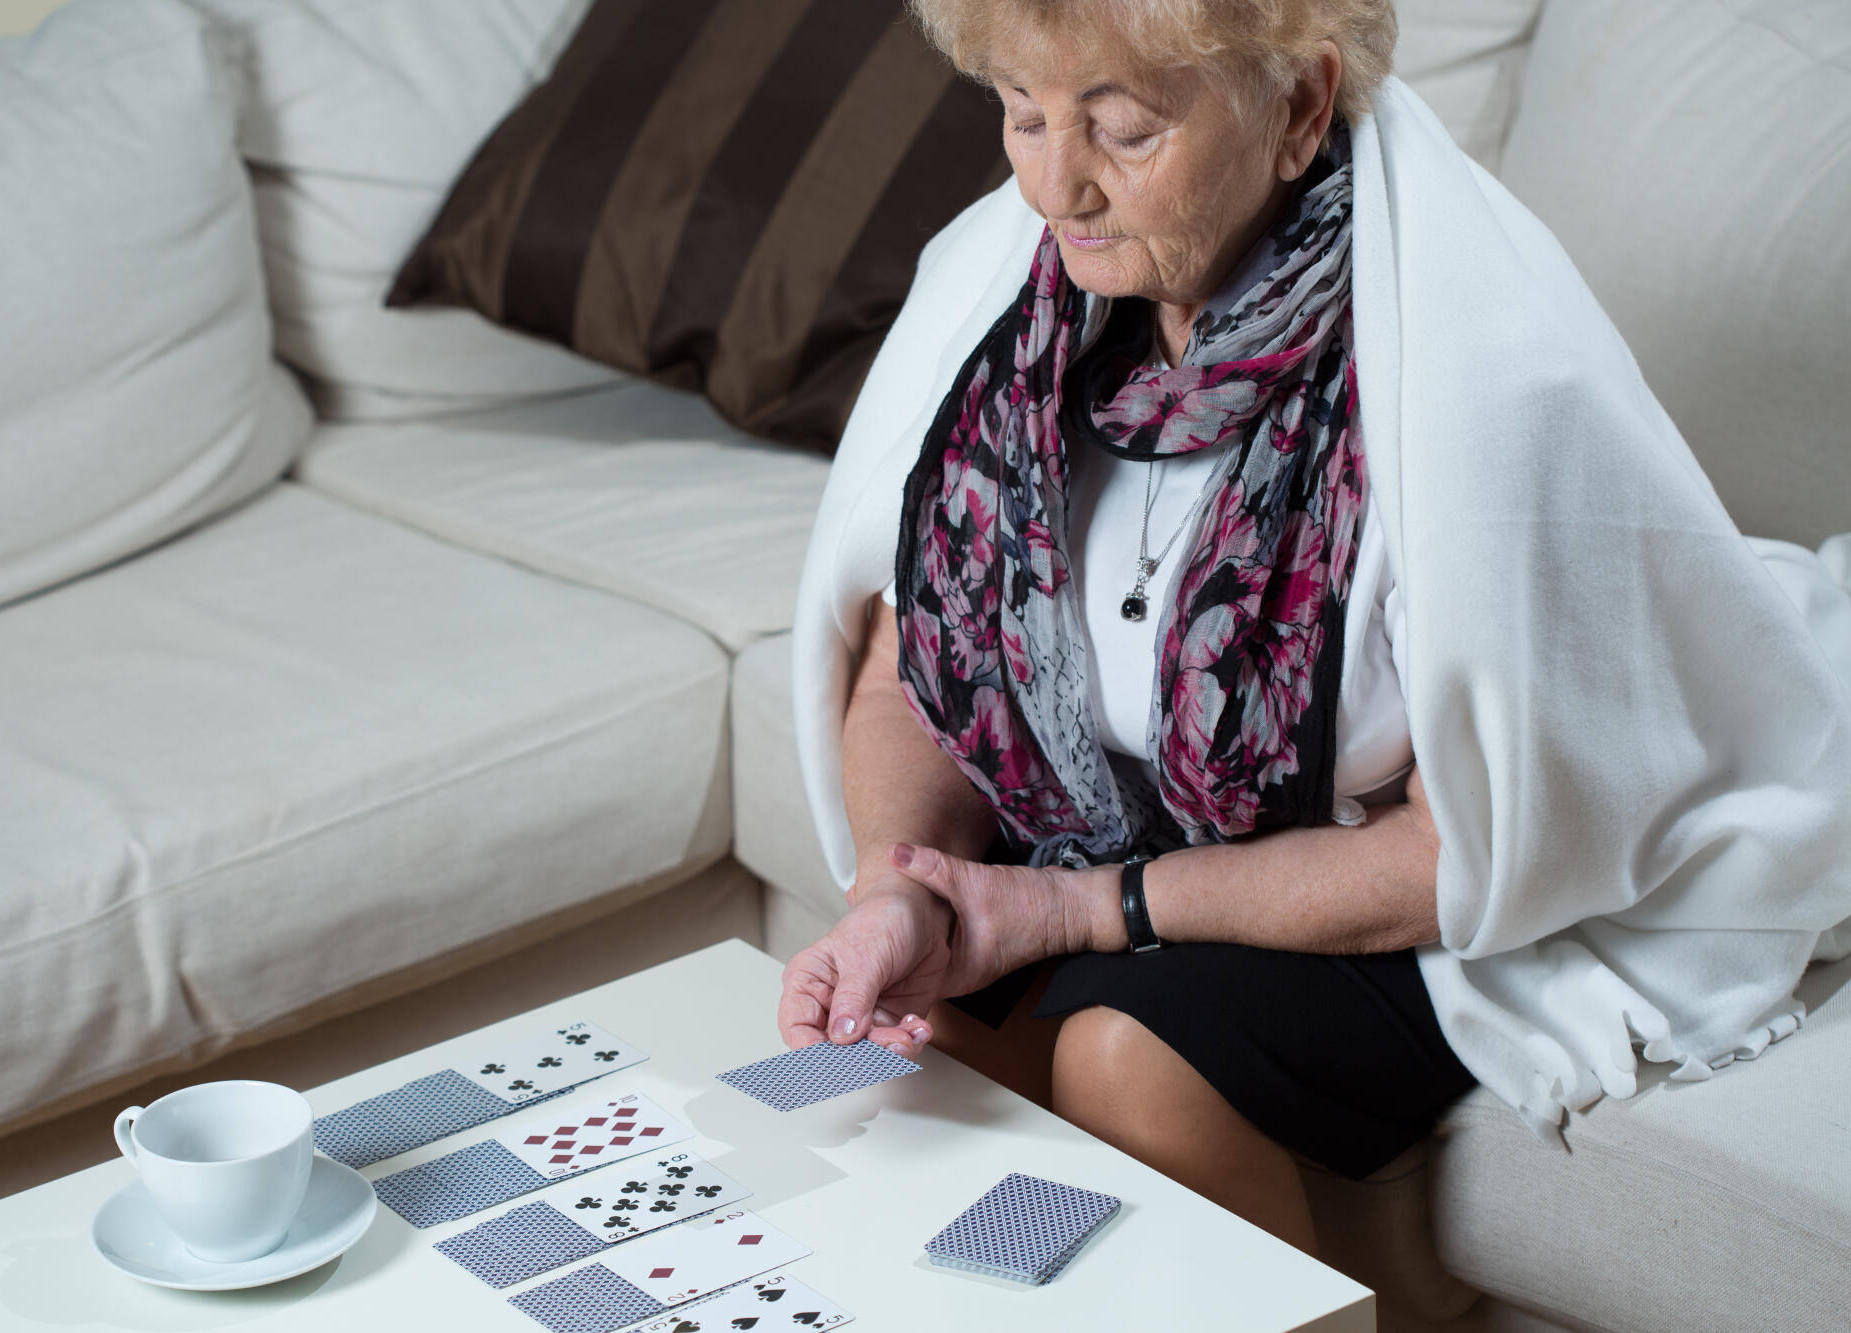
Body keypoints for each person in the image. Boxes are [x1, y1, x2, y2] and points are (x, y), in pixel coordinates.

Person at [777, 0, 1851, 1259]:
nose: (1055, 184)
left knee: (1128, 1059)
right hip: (1121, 837)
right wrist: (896, 891)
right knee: (913, 1043)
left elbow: (1456, 851)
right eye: (1021, 113)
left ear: (1292, 110)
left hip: (1400, 880)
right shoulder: (998, 308)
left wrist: (1079, 911)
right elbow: (911, 672)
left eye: (1119, 130)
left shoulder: (1466, 387)